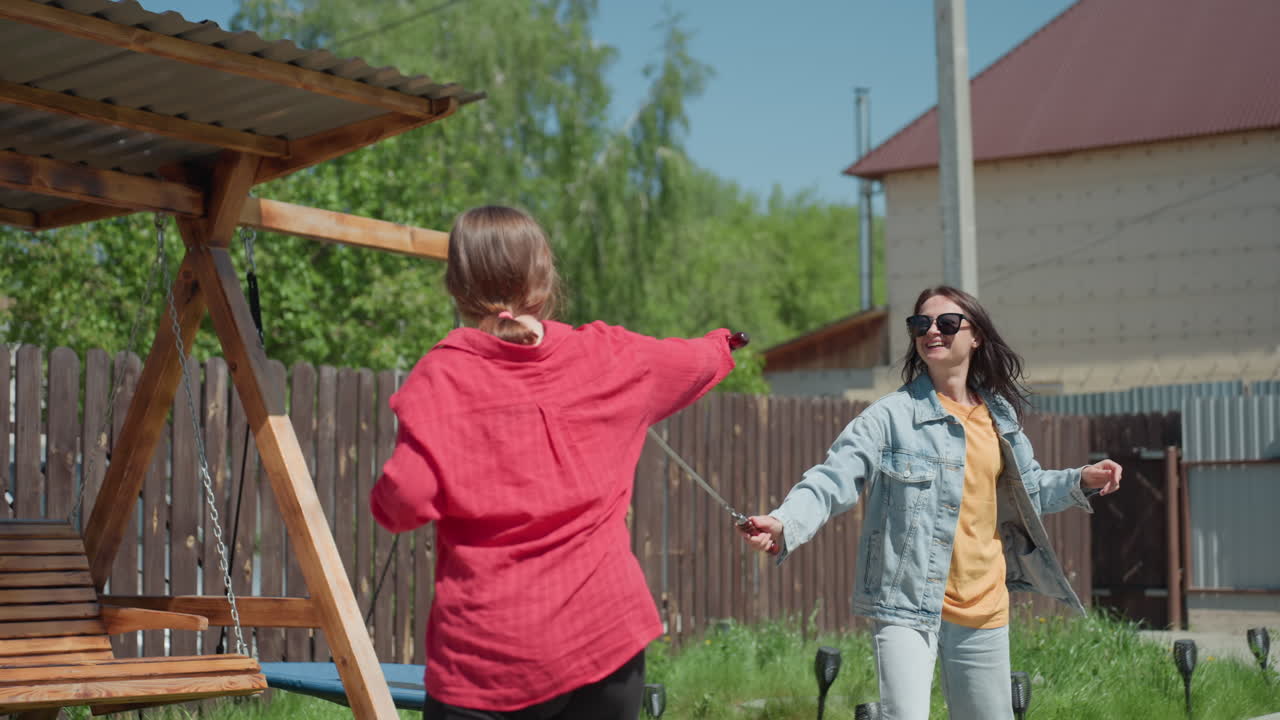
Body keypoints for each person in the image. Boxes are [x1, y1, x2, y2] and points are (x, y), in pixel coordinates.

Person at [370, 205, 738, 720]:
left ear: (456, 286)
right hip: (606, 645)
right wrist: (725, 343)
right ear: (543, 281)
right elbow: (695, 361)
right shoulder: (612, 355)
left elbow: (404, 503)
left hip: (489, 661)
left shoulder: (443, 376)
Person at [740, 285, 1122, 720]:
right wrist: (785, 522)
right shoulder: (890, 417)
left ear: (976, 336)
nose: (932, 331)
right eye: (921, 324)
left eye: (947, 323)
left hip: (985, 605)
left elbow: (1030, 489)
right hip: (906, 603)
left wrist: (1081, 480)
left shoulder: (999, 416)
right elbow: (833, 477)